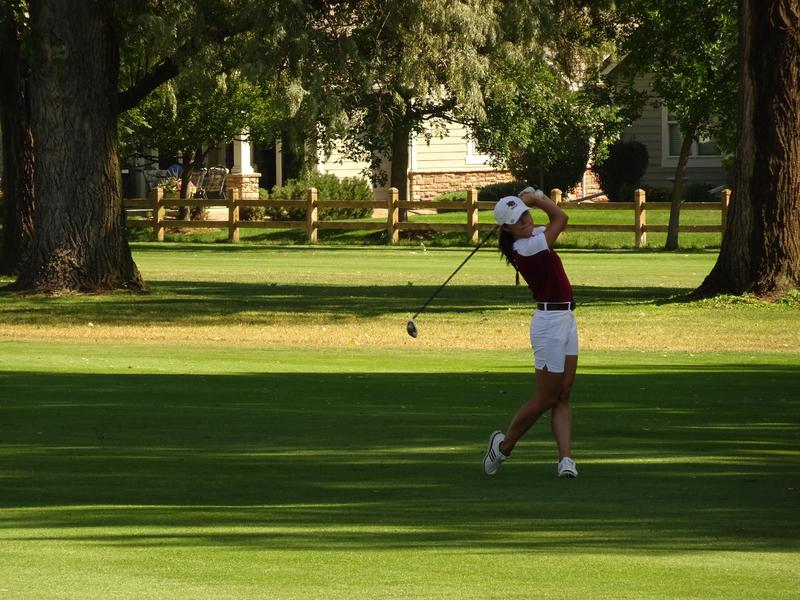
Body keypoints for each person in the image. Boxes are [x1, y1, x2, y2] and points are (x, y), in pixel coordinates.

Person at [483, 187, 579, 478]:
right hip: (548, 324)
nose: (525, 220)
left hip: (566, 317)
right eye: (517, 219)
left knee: (563, 393)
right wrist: (537, 199)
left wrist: (535, 199)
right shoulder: (526, 248)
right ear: (507, 228)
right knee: (547, 397)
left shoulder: (533, 237)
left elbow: (552, 223)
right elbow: (561, 219)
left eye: (525, 214)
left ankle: (566, 460)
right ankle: (503, 448)